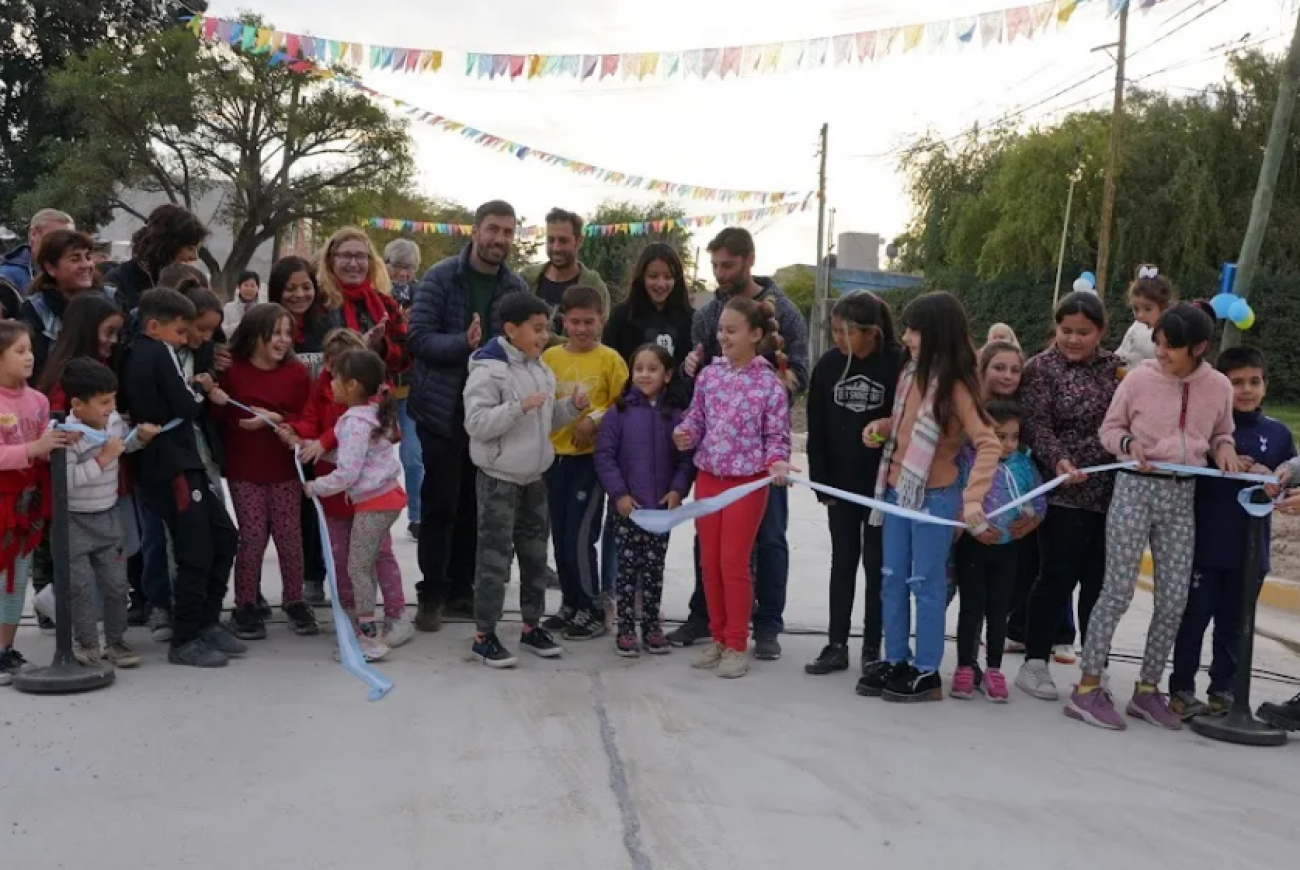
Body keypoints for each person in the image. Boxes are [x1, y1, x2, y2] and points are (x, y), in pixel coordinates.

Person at [1066, 303, 1236, 731]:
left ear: (1199, 348)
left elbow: (1221, 432)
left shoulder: (1218, 386)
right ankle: (1087, 687)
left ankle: (1147, 690)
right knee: (1118, 590)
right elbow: (1110, 429)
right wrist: (1127, 444)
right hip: (1134, 490)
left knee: (1174, 598)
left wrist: (1224, 446)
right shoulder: (1139, 379)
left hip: (1182, 497)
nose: (1160, 353)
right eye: (1158, 343)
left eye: (1171, 348)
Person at [671, 227, 808, 660]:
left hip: (752, 480)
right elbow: (697, 409)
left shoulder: (780, 327)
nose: (719, 273)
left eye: (727, 265)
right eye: (714, 265)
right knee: (710, 558)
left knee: (753, 551)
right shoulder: (711, 361)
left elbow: (780, 421)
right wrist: (686, 430)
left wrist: (776, 462)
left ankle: (755, 632)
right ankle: (715, 631)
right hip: (711, 475)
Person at [853, 292, 999, 702]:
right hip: (898, 492)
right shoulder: (908, 375)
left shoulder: (954, 384)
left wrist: (972, 500)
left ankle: (926, 669)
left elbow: (988, 442)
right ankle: (896, 657)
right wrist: (882, 427)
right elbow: (907, 426)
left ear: (936, 333)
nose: (908, 337)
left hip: (935, 497)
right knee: (891, 578)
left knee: (927, 584)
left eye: (915, 330)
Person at [407, 200, 527, 631]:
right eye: (492, 229)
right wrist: (465, 343)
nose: (499, 239)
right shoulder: (440, 278)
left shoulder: (515, 287)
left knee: (476, 507)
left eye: (507, 232)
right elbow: (418, 339)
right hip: (440, 412)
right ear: (474, 231)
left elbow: (521, 345)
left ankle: (462, 590)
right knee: (440, 505)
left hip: (489, 417)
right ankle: (431, 594)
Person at [1167, 347, 1296, 719]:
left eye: (1254, 381)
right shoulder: (1206, 429)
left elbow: (1287, 484)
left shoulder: (1278, 434)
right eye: (1236, 382)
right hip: (1205, 548)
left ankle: (1224, 689)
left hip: (1251, 553)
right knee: (1194, 619)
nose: (1246, 390)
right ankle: (1182, 690)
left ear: (1265, 386)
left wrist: (1274, 480)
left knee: (1235, 626)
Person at [462, 292, 588, 668]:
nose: (545, 335)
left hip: (535, 479)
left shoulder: (540, 368)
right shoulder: (487, 371)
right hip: (499, 480)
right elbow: (476, 424)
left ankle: (532, 627)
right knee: (494, 562)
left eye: (546, 328)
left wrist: (571, 408)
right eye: (537, 328)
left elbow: (546, 421)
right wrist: (517, 407)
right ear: (511, 330)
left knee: (535, 559)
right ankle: (484, 635)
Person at [119, 289, 242, 668]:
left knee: (224, 534)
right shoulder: (157, 352)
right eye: (180, 330)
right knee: (196, 548)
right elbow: (186, 405)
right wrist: (201, 390)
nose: (186, 339)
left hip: (180, 461)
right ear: (155, 326)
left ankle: (206, 620)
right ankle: (186, 635)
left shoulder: (137, 351)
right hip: (170, 464)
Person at [1013, 291, 1123, 702]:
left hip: (1109, 495)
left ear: (1101, 332)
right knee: (1056, 576)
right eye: (1066, 331)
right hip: (1059, 493)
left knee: (1099, 584)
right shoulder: (1039, 369)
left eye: (1084, 332)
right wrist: (1059, 461)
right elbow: (1036, 426)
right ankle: (1035, 662)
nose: (1073, 340)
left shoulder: (1117, 371)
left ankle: (1094, 668)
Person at [287, 329, 412, 643]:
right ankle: (351, 619)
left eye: (335, 371)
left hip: (359, 495)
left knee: (367, 561)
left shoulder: (361, 414)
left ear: (354, 380)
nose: (329, 377)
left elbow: (349, 466)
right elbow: (313, 422)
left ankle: (379, 623)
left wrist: (316, 483)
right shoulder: (358, 404)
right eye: (329, 367)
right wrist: (295, 434)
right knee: (343, 559)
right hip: (351, 498)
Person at [804, 291, 902, 676]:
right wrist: (821, 483)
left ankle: (873, 647)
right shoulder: (829, 366)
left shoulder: (897, 364)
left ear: (872, 332)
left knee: (878, 566)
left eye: (846, 332)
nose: (838, 340)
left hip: (881, 488)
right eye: (835, 331)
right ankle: (836, 643)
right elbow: (817, 427)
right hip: (840, 487)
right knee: (842, 562)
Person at [209, 303, 315, 640]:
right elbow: (218, 416)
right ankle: (245, 603)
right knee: (252, 536)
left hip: (284, 469)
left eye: (288, 333)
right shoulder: (234, 371)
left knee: (289, 536)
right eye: (276, 332)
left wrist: (277, 418)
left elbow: (306, 415)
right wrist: (224, 405)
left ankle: (294, 600)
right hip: (245, 470)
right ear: (255, 335)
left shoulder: (297, 373)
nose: (284, 340)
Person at [540, 285, 629, 640]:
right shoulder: (550, 359)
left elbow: (626, 405)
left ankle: (592, 607)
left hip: (589, 463)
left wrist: (595, 419)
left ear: (601, 321)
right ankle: (571, 604)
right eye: (574, 322)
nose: (581, 329)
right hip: (553, 459)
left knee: (580, 536)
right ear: (563, 321)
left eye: (588, 322)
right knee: (560, 536)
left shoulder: (611, 360)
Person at [58, 359, 159, 668]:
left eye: (112, 399)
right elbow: (67, 482)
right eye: (103, 402)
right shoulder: (65, 435)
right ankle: (87, 643)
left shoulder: (114, 420)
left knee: (116, 585)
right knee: (80, 587)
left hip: (108, 515)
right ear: (77, 403)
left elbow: (121, 446)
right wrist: (103, 459)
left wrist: (138, 439)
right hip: (74, 520)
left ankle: (115, 641)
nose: (111, 407)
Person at [594, 343, 693, 657]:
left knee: (654, 569)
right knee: (626, 569)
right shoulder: (618, 413)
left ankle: (651, 626)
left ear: (667, 375)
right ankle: (625, 629)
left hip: (660, 512)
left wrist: (678, 490)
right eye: (639, 368)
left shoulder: (676, 416)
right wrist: (620, 495)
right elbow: (605, 456)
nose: (644, 374)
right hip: (628, 511)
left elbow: (686, 460)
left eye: (652, 369)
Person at [982, 340, 1077, 662]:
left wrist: (1035, 514)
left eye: (1015, 369)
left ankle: (1052, 634)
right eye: (999, 368)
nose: (1008, 376)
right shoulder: (968, 405)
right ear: (983, 369)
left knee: (1027, 577)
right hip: (968, 519)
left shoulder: (1028, 404)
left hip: (1019, 518)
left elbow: (1033, 457)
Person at [951, 400, 1045, 703]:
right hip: (973, 547)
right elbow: (958, 497)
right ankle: (965, 666)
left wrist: (1032, 521)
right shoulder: (969, 460)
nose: (1007, 444)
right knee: (971, 607)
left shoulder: (1024, 464)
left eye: (1013, 437)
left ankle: (994, 669)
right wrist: (972, 526)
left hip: (1007, 549)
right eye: (999, 436)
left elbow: (1038, 499)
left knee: (998, 611)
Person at [0, 321, 68, 685]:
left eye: (30, 350)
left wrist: (59, 442)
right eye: (20, 351)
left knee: (16, 579)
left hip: (26, 508)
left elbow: (45, 450)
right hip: (2, 503)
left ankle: (5, 650)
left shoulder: (38, 400)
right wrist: (33, 449)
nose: (29, 357)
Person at [603, 243, 696, 406]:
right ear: (642, 278)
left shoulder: (690, 319)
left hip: (675, 410)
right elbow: (609, 365)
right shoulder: (621, 317)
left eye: (668, 277)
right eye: (653, 276)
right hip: (631, 408)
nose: (661, 284)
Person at [317, 228, 409, 377]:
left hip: (375, 396)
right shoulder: (318, 303)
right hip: (328, 394)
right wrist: (354, 347)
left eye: (360, 256)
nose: (353, 264)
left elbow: (406, 358)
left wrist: (381, 346)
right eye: (346, 256)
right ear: (331, 260)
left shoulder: (386, 305)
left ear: (370, 262)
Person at [19, 229, 104, 383]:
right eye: (75, 259)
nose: (86, 265)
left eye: (88, 257)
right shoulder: (36, 309)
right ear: (51, 268)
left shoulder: (110, 298)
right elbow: (37, 368)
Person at [384, 239, 424, 540]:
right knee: (376, 457)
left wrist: (415, 327)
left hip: (411, 390)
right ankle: (374, 513)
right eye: (396, 266)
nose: (402, 274)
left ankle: (418, 516)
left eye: (407, 267)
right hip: (380, 391)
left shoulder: (424, 296)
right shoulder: (376, 296)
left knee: (413, 456)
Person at [103, 204, 208, 313]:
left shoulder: (191, 283)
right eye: (189, 248)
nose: (195, 257)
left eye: (197, 249)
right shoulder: (119, 282)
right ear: (165, 245)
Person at [519, 208, 611, 330]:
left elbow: (594, 337)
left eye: (563, 241)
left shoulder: (594, 287)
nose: (556, 248)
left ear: (579, 241)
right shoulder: (526, 279)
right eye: (551, 240)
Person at [268, 256, 332, 378]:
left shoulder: (327, 327)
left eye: (306, 287)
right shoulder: (262, 326)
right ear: (276, 291)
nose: (299, 294)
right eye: (290, 289)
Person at [0, 208, 75, 295]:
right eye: (56, 237)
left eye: (70, 238)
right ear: (33, 234)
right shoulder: (7, 277)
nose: (63, 243)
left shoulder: (76, 271)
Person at [1115, 265, 1173, 369]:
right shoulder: (1135, 327)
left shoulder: (1170, 331)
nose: (1140, 315)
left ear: (1163, 307)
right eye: (1135, 309)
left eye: (1148, 309)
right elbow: (1122, 352)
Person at [222, 270, 261, 336]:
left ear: (258, 287)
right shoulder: (228, 308)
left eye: (252, 286)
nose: (249, 289)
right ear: (238, 287)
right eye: (246, 285)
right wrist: (242, 324)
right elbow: (223, 331)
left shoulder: (262, 308)